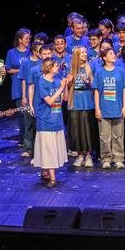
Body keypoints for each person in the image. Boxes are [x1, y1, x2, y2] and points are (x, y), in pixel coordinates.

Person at [33, 58, 70, 187]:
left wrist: (65, 86)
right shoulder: (41, 82)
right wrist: (60, 88)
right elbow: (49, 101)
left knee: (52, 150)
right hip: (46, 121)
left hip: (57, 120)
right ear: (49, 68)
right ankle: (53, 178)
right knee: (48, 150)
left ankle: (45, 172)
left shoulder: (57, 80)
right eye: (55, 65)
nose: (58, 67)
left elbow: (65, 99)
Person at [93, 47, 125, 169]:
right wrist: (97, 108)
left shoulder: (120, 71)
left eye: (113, 53)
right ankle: (106, 158)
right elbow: (96, 91)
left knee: (118, 135)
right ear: (104, 57)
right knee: (104, 137)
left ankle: (118, 158)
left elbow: (124, 89)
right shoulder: (99, 72)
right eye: (110, 53)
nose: (113, 55)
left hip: (117, 108)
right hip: (104, 108)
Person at [66, 46, 98, 168]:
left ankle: (88, 155)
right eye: (82, 52)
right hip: (75, 101)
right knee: (76, 129)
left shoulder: (90, 67)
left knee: (87, 129)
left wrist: (88, 82)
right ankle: (79, 155)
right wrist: (69, 81)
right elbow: (66, 86)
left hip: (87, 100)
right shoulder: (70, 68)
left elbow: (95, 85)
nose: (85, 54)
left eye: (85, 52)